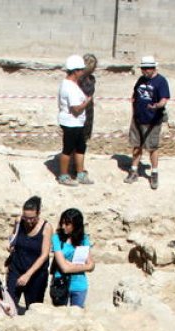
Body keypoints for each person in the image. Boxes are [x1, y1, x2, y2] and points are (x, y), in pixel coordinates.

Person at [124, 56, 171, 190]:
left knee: (152, 147)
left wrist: (156, 106)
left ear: (153, 68)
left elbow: (164, 99)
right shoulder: (141, 80)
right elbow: (134, 96)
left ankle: (154, 173)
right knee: (136, 145)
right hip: (138, 118)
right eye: (142, 68)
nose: (144, 71)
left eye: (146, 68)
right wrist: (134, 111)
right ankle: (133, 171)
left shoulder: (161, 81)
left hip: (153, 121)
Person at [5, 196, 52, 315]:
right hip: (17, 268)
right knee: (9, 304)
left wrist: (28, 275)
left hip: (36, 273)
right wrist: (11, 245)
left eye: (32, 218)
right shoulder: (19, 221)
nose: (29, 221)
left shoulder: (46, 227)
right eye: (26, 217)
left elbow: (44, 255)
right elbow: (14, 237)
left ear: (39, 213)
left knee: (33, 308)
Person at [56, 54, 92, 186]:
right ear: (75, 71)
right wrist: (87, 102)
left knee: (80, 147)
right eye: (81, 70)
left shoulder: (70, 84)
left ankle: (80, 173)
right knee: (68, 149)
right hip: (71, 123)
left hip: (77, 122)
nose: (82, 72)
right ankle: (63, 176)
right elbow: (76, 109)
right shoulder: (69, 87)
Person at [50, 208, 95, 308]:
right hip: (60, 284)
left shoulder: (83, 239)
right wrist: (83, 266)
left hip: (79, 285)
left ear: (76, 225)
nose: (63, 226)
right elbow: (64, 268)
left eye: (67, 224)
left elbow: (91, 266)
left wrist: (71, 265)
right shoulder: (57, 238)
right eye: (62, 223)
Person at [76, 53, 98, 184]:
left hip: (87, 111)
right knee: (80, 142)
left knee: (81, 141)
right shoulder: (82, 81)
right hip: (82, 110)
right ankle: (79, 169)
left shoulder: (88, 79)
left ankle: (77, 166)